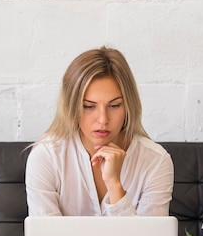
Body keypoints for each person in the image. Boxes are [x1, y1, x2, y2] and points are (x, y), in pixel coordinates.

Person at [25, 46, 174, 216]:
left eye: (114, 105)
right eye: (89, 106)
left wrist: (115, 186)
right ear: (71, 107)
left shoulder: (155, 161)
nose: (103, 119)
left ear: (128, 106)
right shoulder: (47, 157)